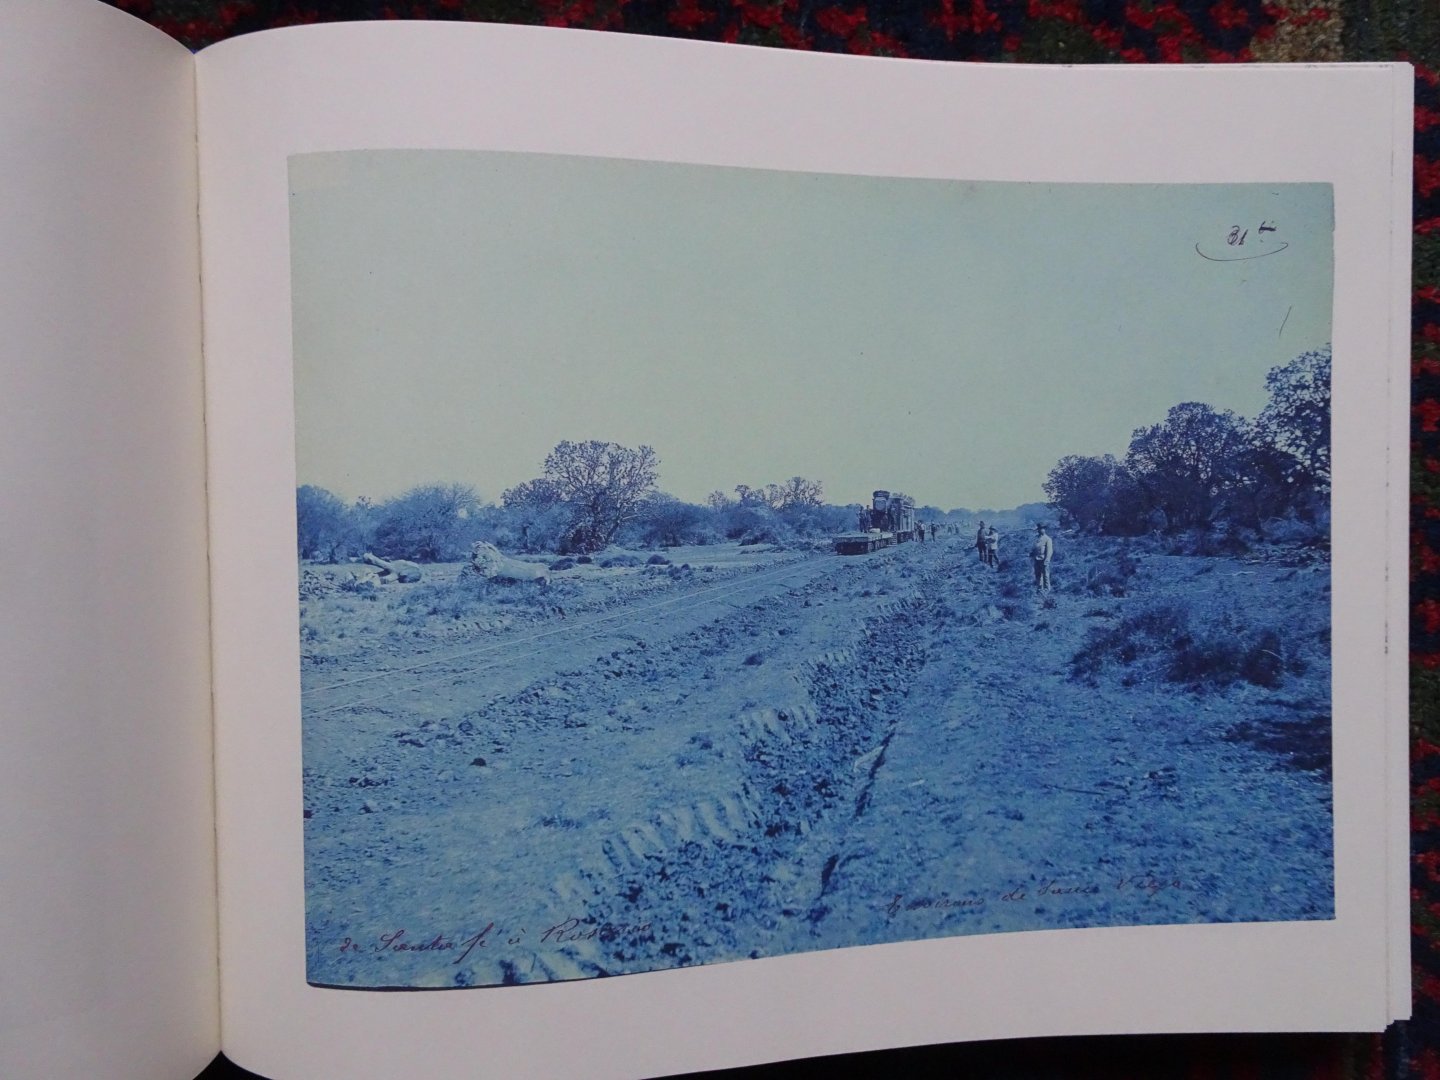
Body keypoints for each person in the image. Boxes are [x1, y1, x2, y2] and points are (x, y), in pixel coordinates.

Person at [1030, 522, 1054, 590]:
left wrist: (1047, 559)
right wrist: (1032, 554)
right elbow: (1035, 548)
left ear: (1044, 529)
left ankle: (1047, 589)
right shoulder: (1037, 538)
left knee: (1045, 575)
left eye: (1042, 529)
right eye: (1039, 529)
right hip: (1037, 559)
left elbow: (1049, 551)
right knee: (1038, 575)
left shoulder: (1047, 539)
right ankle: (1040, 589)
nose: (1040, 530)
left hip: (1043, 560)